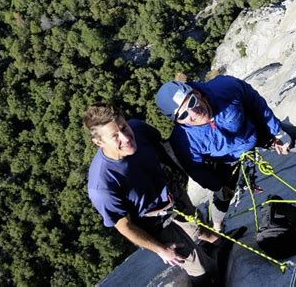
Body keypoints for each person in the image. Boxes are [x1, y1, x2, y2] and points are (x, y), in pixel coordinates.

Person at [155, 75, 296, 231]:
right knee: (222, 198)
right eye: (184, 115)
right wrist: (218, 184)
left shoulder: (225, 88)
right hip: (227, 159)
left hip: (256, 131)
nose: (194, 112)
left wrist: (278, 133)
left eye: (192, 101)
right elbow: (196, 168)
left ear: (197, 92)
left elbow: (255, 103)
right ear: (177, 121)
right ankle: (218, 230)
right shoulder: (183, 140)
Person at [83, 103, 218, 286]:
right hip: (152, 222)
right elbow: (125, 226)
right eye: (114, 136)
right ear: (99, 143)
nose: (126, 137)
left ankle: (215, 244)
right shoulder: (102, 185)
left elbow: (163, 148)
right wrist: (161, 249)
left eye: (123, 127)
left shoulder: (139, 129)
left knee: (201, 228)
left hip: (169, 194)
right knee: (200, 267)